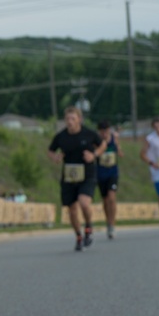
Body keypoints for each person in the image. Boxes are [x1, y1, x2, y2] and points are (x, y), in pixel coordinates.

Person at [48, 107, 106, 251]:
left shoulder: (88, 134)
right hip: (69, 176)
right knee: (72, 210)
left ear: (79, 119)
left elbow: (102, 144)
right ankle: (78, 237)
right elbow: (50, 150)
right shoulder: (61, 136)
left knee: (84, 203)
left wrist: (94, 155)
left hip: (87, 174)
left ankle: (88, 226)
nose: (70, 122)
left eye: (73, 118)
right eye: (67, 119)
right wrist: (55, 157)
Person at [95, 120, 123, 239]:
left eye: (106, 131)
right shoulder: (96, 141)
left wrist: (117, 144)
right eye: (102, 132)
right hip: (100, 174)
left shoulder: (114, 138)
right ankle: (108, 222)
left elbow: (120, 154)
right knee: (105, 200)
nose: (104, 134)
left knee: (112, 197)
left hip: (112, 172)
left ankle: (112, 224)